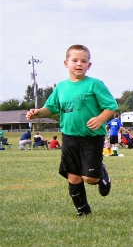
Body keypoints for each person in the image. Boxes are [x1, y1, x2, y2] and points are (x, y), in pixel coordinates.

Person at [26, 44, 118, 216]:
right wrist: (37, 113)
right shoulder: (61, 87)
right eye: (74, 60)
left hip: (91, 136)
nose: (79, 64)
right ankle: (83, 211)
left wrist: (100, 119)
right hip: (69, 136)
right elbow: (51, 108)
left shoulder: (94, 84)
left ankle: (102, 172)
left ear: (89, 65)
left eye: (83, 61)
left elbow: (111, 107)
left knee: (90, 179)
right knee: (73, 177)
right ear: (66, 63)